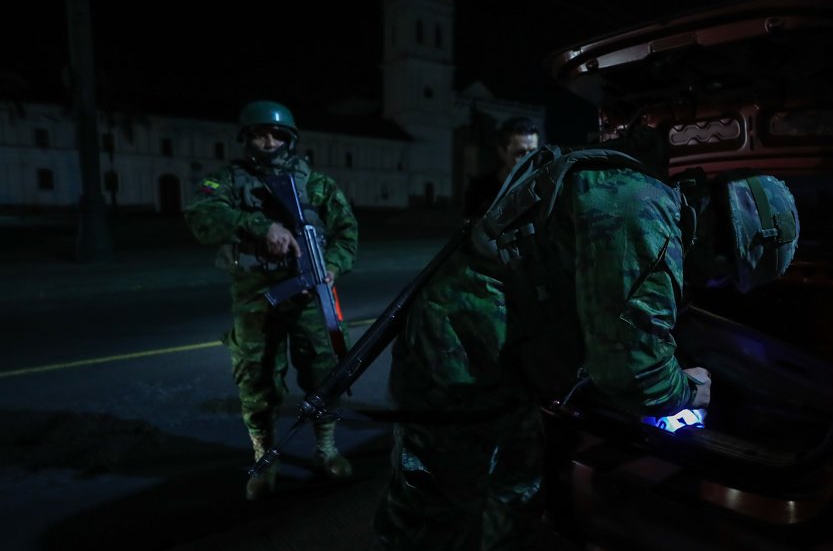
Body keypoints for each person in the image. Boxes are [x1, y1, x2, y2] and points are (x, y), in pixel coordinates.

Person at [374, 131, 799, 549]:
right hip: (458, 363)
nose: (716, 282)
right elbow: (632, 373)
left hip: (504, 364)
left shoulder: (648, 202)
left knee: (516, 495)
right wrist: (690, 390)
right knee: (436, 516)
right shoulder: (642, 212)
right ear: (724, 242)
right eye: (726, 274)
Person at [183, 99, 359, 501]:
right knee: (257, 376)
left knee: (325, 371)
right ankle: (264, 458)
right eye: (260, 135)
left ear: (290, 139)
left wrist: (332, 265)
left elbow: (347, 233)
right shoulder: (228, 181)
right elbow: (200, 214)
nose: (268, 142)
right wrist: (260, 226)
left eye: (277, 135)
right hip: (256, 294)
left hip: (312, 294)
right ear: (247, 139)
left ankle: (326, 447)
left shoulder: (318, 185)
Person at [462, 116, 540, 218]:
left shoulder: (542, 187)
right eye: (520, 153)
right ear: (502, 152)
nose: (529, 159)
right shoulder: (478, 189)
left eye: (533, 152)